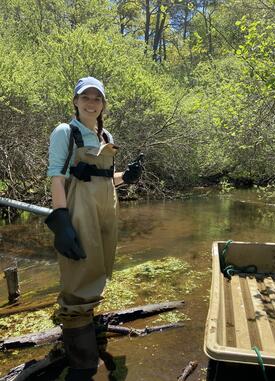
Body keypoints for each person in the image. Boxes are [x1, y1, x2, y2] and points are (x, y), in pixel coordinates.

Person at [45, 76, 143, 381]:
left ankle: (88, 323)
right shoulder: (66, 131)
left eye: (97, 98)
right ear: (75, 101)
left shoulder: (105, 135)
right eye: (85, 97)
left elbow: (104, 178)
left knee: (98, 266)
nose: (91, 103)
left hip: (106, 207)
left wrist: (127, 176)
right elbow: (58, 178)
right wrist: (61, 220)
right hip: (78, 207)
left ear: (103, 104)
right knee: (78, 271)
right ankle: (82, 360)